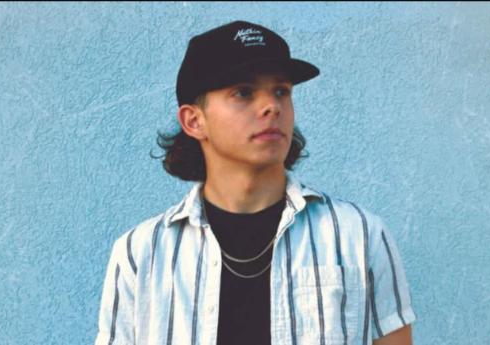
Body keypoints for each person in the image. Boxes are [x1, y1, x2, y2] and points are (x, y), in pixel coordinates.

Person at [95, 20, 416, 345]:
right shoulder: (142, 254)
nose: (271, 107)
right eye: (243, 92)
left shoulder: (358, 236)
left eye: (281, 91)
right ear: (194, 121)